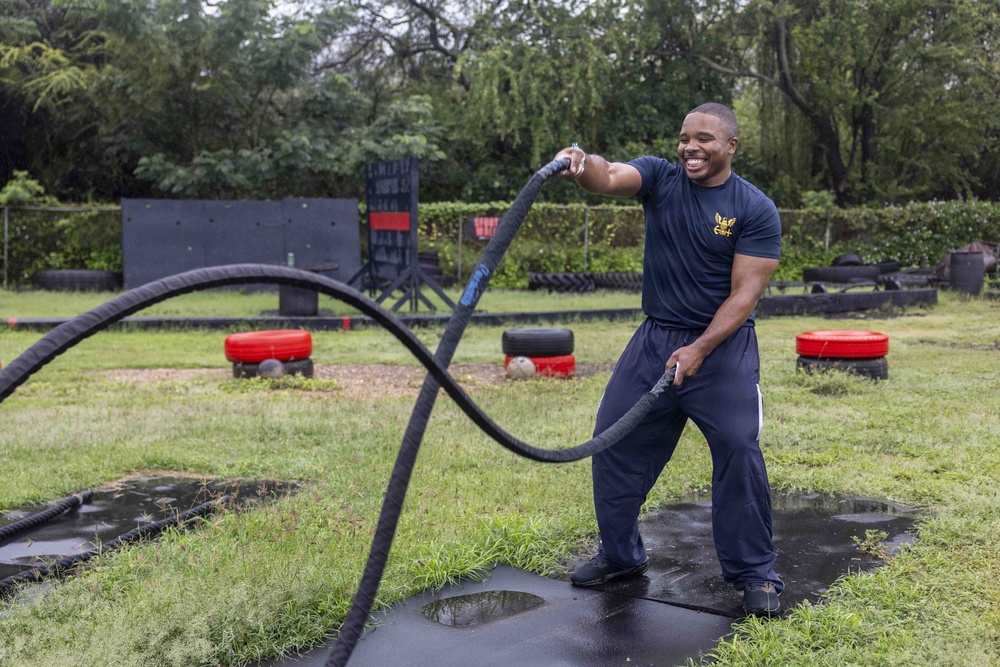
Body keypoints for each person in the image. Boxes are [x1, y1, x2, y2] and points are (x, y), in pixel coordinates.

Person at [553, 102, 783, 617]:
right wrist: (580, 160)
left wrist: (700, 348)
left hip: (722, 348)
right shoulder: (661, 177)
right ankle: (620, 556)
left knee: (738, 450)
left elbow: (745, 294)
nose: (690, 147)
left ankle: (755, 574)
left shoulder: (754, 208)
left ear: (730, 146)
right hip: (655, 339)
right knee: (612, 439)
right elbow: (608, 176)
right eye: (684, 137)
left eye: (704, 138)